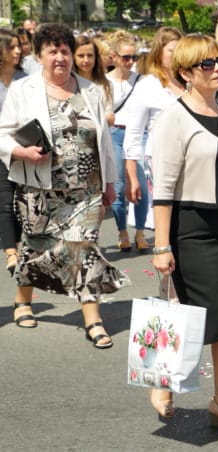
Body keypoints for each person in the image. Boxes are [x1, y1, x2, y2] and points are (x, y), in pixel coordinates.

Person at [150, 34, 218, 432]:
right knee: (202, 313)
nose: (217, 68)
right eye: (206, 64)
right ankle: (162, 375)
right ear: (185, 73)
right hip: (190, 228)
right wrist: (161, 245)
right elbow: (162, 189)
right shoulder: (173, 117)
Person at [0, 22, 127, 343]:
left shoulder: (92, 91)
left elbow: (104, 143)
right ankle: (23, 300)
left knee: (84, 247)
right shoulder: (22, 90)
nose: (60, 57)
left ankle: (93, 320)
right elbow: (2, 133)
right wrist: (21, 151)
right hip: (39, 187)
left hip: (86, 190)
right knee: (35, 246)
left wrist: (110, 183)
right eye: (52, 51)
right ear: (40, 56)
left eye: (65, 51)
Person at [122, 27, 183, 209]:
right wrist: (131, 177)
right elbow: (133, 134)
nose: (177, 56)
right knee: (166, 218)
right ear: (159, 53)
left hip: (192, 161)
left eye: (181, 51)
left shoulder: (191, 83)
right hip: (160, 161)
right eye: (172, 50)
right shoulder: (147, 86)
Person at [106, 31, 149, 252]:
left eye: (134, 57)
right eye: (126, 57)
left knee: (139, 183)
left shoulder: (142, 80)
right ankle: (122, 231)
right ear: (114, 56)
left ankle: (140, 232)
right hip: (114, 133)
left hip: (138, 134)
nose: (131, 62)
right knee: (119, 185)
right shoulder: (104, 82)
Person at [0, 30, 26, 281]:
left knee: (23, 202)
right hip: (0, 150)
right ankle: (11, 253)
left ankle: (21, 246)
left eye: (19, 47)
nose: (18, 52)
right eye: (12, 48)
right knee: (5, 201)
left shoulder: (25, 79)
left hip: (24, 148)